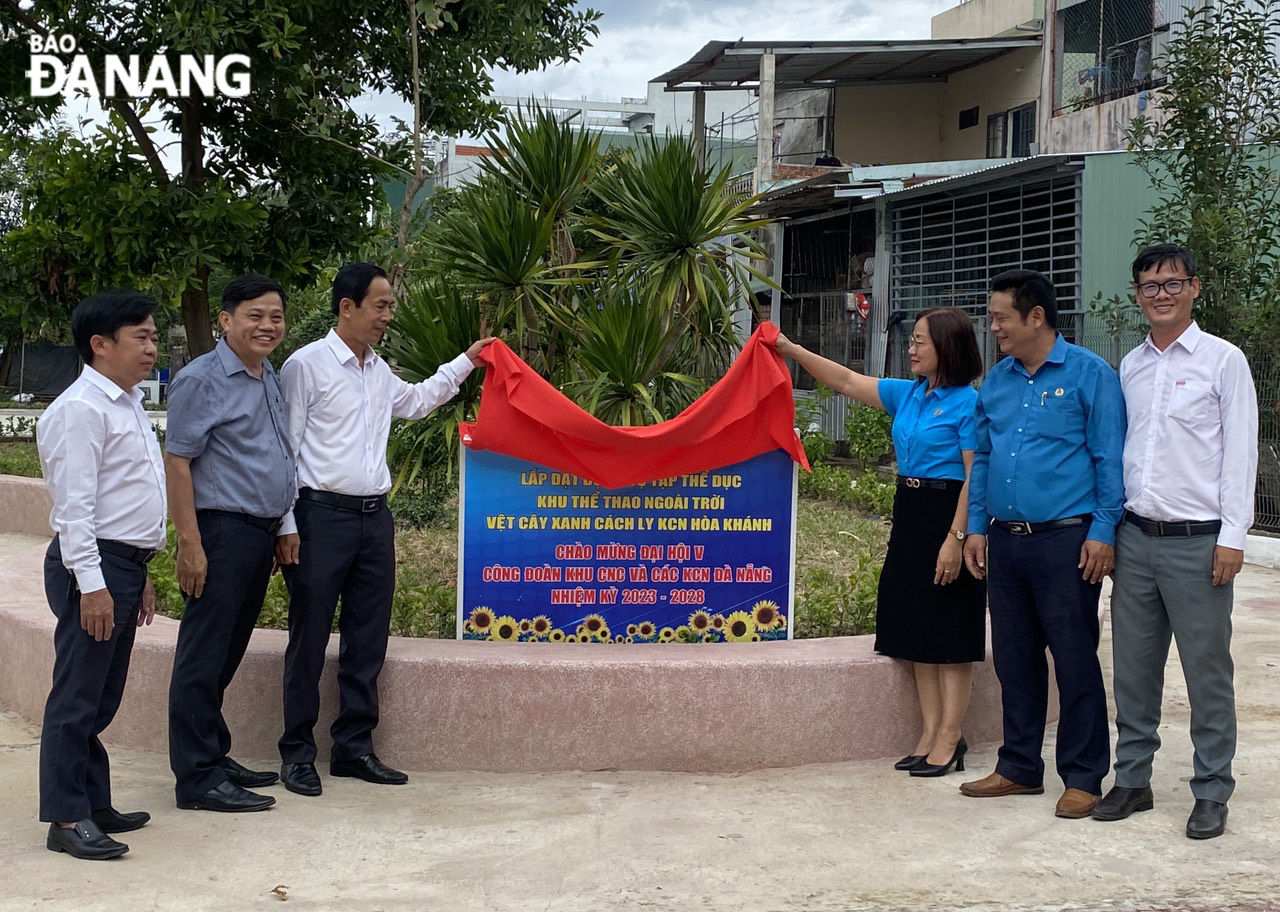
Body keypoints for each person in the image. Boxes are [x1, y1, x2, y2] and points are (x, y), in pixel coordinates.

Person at [274, 263, 494, 796]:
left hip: (375, 519)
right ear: (346, 307)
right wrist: (286, 524)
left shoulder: (377, 370)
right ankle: (298, 753)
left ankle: (353, 747)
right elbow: (285, 449)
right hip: (318, 516)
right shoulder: (305, 366)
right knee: (309, 635)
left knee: (367, 636)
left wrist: (466, 361)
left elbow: (416, 402)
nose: (387, 316)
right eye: (380, 305)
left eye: (389, 306)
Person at [773, 308, 986, 777]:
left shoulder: (968, 404)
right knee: (917, 629)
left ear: (947, 348)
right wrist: (792, 351)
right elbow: (847, 380)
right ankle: (929, 733)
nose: (911, 348)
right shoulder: (909, 395)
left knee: (949, 630)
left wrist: (957, 537)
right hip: (910, 514)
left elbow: (976, 476)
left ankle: (951, 737)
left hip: (948, 514)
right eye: (912, 340)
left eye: (920, 341)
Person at [1092, 244, 1257, 839]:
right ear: (1137, 294)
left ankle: (1212, 789)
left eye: (1172, 283)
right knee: (1133, 670)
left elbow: (1240, 454)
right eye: (1149, 285)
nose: (1160, 294)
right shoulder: (1129, 366)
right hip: (1135, 541)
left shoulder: (1224, 361)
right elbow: (1115, 453)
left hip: (1200, 544)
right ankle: (1132, 780)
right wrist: (1107, 532)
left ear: (1194, 287)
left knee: (1207, 671)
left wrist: (1232, 538)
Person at [960, 269, 1126, 819]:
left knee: (1074, 658)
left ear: (1037, 317)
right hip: (1006, 543)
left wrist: (1103, 532)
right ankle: (1019, 767)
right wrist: (977, 527)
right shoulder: (999, 381)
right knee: (1015, 659)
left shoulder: (1090, 375)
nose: (994, 327)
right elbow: (983, 456)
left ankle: (1083, 776)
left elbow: (1109, 458)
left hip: (1067, 541)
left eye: (1001, 317)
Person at [36, 291, 166, 859]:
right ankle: (65, 820)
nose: (151, 346)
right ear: (100, 344)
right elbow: (75, 512)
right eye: (141, 336)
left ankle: (92, 800)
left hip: (123, 564)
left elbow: (129, 498)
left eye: (153, 336)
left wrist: (141, 573)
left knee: (102, 695)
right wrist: (93, 584)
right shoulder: (79, 409)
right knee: (76, 696)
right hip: (91, 565)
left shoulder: (127, 402)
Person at [165, 275, 296, 813]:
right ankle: (196, 778)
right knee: (203, 656)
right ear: (225, 320)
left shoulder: (268, 376)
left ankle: (214, 756)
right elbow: (178, 460)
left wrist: (283, 524)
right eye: (254, 315)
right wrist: (190, 544)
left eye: (276, 317)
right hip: (221, 532)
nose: (267, 326)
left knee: (227, 651)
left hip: (258, 534)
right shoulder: (202, 379)